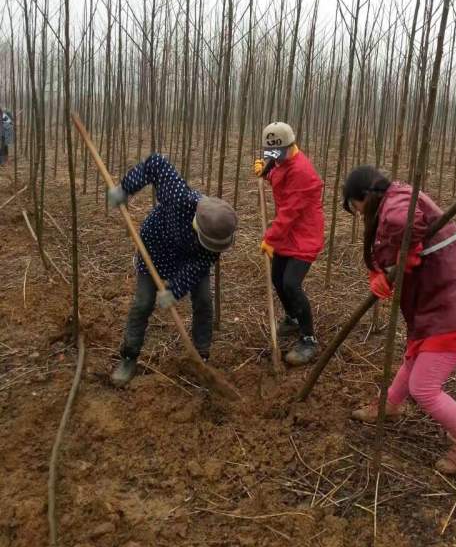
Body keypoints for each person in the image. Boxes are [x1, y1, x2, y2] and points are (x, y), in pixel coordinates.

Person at [342, 165, 456, 475]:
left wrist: (405, 251)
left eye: (355, 208)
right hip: (439, 302)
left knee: (424, 387)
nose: (360, 215)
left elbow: (403, 221)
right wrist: (385, 269)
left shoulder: (395, 203)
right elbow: (392, 244)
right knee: (414, 358)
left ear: (364, 197)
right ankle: (390, 404)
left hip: (453, 307)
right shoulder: (395, 198)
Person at [108, 153, 238, 387]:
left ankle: (201, 356)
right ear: (197, 226)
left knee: (204, 301)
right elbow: (156, 162)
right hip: (155, 251)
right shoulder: (179, 197)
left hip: (187, 260)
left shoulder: (215, 240)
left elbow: (198, 266)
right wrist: (125, 188)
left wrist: (175, 290)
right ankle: (129, 357)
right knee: (143, 302)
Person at [254, 121, 324, 366]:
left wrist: (270, 239)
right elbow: (277, 171)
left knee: (291, 284)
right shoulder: (280, 158)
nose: (274, 156)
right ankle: (293, 318)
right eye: (269, 153)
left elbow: (290, 211)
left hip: (304, 233)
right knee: (277, 279)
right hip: (287, 232)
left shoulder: (303, 172)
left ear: (291, 146)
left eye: (277, 152)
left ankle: (308, 338)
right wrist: (265, 170)